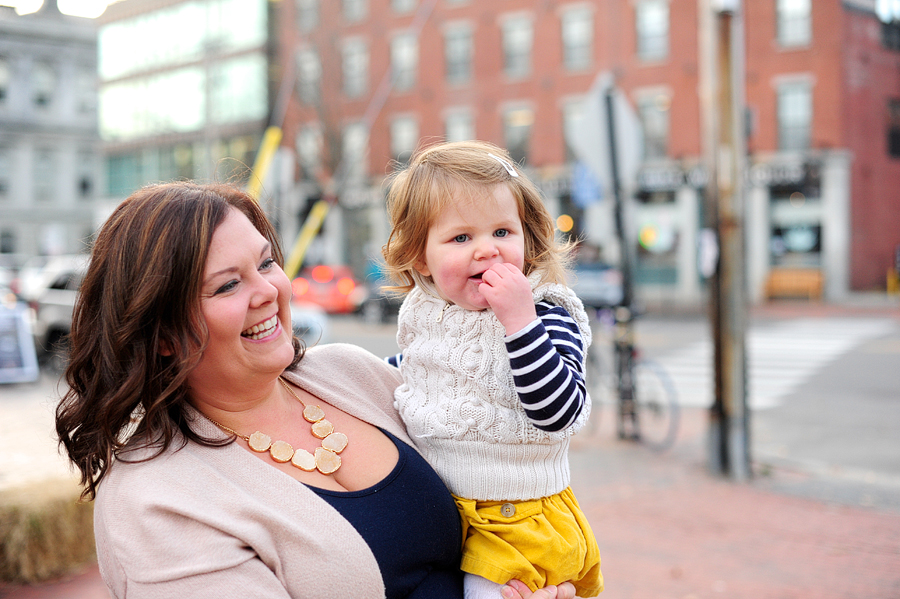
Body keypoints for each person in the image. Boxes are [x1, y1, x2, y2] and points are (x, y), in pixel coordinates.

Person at [55, 181, 577, 599]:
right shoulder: (157, 504)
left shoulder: (354, 374)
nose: (268, 291)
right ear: (162, 334)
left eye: (265, 263)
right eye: (228, 284)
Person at [382, 141, 604, 599]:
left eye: (502, 232)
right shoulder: (426, 311)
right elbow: (416, 373)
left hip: (517, 519)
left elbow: (560, 410)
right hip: (445, 509)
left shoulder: (545, 312)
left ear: (528, 235)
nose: (488, 251)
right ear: (421, 256)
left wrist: (519, 322)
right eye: (461, 238)